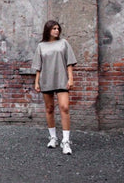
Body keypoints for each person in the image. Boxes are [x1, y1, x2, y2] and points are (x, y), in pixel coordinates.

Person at [32, 20, 77, 155]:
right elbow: (38, 66)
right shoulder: (41, 46)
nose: (57, 31)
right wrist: (36, 82)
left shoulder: (64, 43)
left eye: (58, 28)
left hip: (62, 79)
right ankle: (53, 137)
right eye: (54, 29)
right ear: (48, 30)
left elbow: (69, 62)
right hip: (46, 80)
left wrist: (70, 78)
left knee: (64, 107)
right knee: (50, 108)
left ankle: (66, 141)